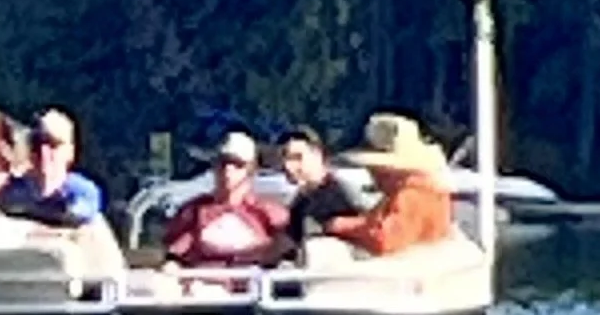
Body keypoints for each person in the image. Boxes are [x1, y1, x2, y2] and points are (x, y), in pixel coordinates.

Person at [330, 112, 455, 254]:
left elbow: (385, 239)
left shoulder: (413, 194)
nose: (372, 174)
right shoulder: (416, 190)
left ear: (390, 169)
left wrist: (341, 226)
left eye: (376, 169)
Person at [163, 130, 287, 268]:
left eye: (237, 164)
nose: (228, 170)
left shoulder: (270, 214)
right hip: (204, 279)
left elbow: (286, 254)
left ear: (252, 169)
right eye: (222, 163)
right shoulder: (194, 212)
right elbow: (175, 255)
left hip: (255, 280)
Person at [0, 105, 104, 230]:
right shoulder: (10, 189)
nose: (44, 154)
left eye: (54, 145)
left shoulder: (82, 194)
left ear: (70, 152)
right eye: (37, 144)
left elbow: (83, 213)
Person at [276, 123, 366, 257]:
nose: (288, 166)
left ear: (318, 155)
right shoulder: (302, 201)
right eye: (284, 158)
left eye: (297, 157)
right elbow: (289, 245)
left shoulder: (342, 196)